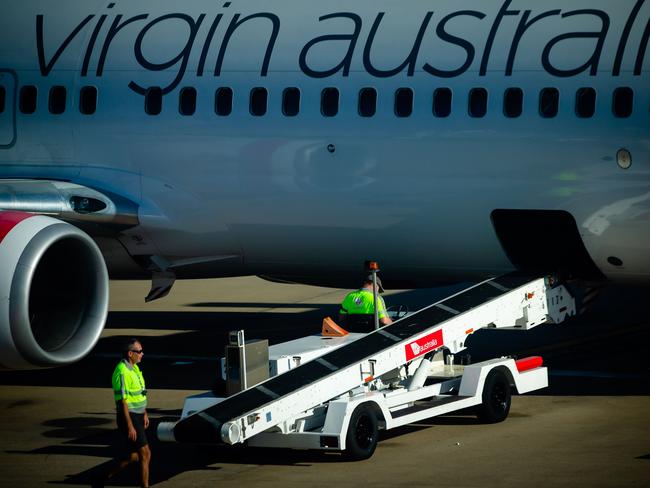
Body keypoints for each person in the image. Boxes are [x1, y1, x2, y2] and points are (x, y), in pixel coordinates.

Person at [98, 338, 151, 488]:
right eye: (139, 351)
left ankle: (101, 478)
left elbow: (140, 393)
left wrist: (145, 412)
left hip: (139, 415)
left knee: (133, 456)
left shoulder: (134, 368)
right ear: (130, 353)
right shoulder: (121, 371)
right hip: (129, 417)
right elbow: (123, 402)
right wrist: (130, 426)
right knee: (146, 454)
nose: (142, 354)